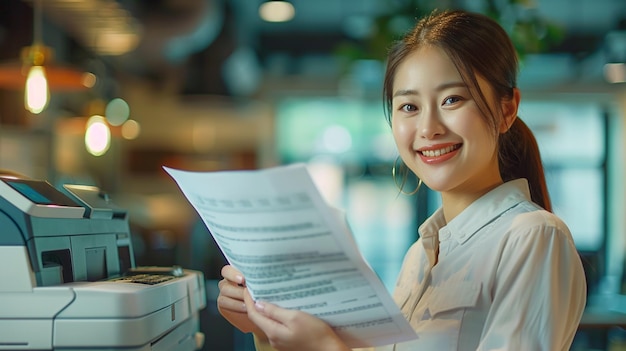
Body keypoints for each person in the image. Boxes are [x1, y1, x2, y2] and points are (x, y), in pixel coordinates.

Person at [216, 9, 587, 351]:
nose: (428, 128)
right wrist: (267, 326)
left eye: (453, 99)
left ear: (507, 110)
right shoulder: (418, 257)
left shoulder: (533, 237)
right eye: (409, 107)